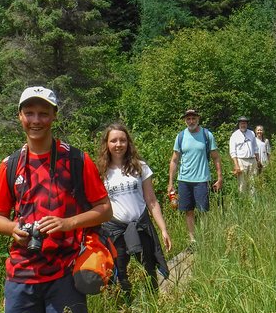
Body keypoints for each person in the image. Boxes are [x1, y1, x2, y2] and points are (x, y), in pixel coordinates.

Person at [0, 86, 112, 313]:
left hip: (65, 275)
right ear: (20, 116)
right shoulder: (10, 165)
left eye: (43, 113)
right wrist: (13, 228)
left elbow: (104, 210)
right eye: (30, 113)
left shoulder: (77, 160)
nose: (36, 120)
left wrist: (67, 223)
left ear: (54, 116)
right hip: (21, 275)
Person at [97, 122, 171, 299]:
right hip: (115, 231)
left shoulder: (140, 167)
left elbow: (151, 200)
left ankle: (154, 309)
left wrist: (163, 229)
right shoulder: (100, 171)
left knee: (148, 269)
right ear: (106, 143)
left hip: (140, 227)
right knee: (120, 274)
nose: (118, 145)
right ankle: (125, 312)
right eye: (113, 140)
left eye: (122, 140)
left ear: (128, 142)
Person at [168, 109, 223, 244]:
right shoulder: (180, 136)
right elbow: (174, 160)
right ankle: (193, 240)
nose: (191, 121)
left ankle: (204, 238)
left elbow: (216, 157)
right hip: (184, 180)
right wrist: (170, 182)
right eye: (188, 119)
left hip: (202, 180)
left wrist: (220, 177)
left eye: (193, 118)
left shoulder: (207, 135)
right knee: (188, 211)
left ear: (198, 119)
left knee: (203, 210)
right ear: (185, 120)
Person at [229, 116, 262, 195]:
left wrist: (258, 160)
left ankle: (253, 203)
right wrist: (236, 165)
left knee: (253, 182)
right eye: (241, 123)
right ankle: (242, 202)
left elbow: (255, 148)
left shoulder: (251, 133)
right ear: (239, 124)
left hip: (252, 160)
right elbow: (233, 152)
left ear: (247, 124)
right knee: (242, 184)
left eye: (244, 123)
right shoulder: (234, 135)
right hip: (241, 160)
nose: (243, 125)